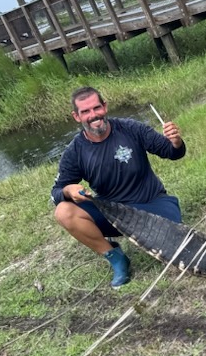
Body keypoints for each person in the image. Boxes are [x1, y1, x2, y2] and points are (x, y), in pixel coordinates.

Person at [52, 86, 186, 287]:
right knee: (63, 211)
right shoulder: (74, 151)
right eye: (86, 111)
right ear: (76, 116)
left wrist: (176, 143)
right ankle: (116, 257)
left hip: (152, 203)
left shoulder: (131, 128)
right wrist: (68, 190)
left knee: (176, 244)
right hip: (114, 214)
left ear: (104, 107)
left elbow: (171, 153)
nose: (93, 115)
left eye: (96, 108)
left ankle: (152, 230)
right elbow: (56, 193)